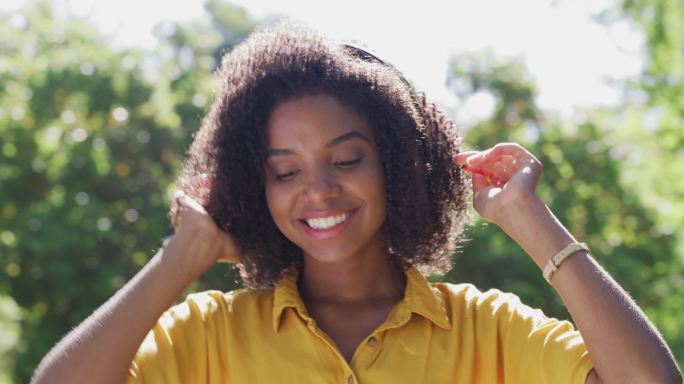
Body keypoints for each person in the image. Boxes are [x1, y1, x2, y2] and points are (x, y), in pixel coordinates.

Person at [32, 21, 680, 384]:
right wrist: (184, 253)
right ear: (256, 187)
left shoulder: (489, 330)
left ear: (395, 165)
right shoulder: (207, 335)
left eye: (346, 160)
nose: (319, 190)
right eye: (284, 171)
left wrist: (529, 220)